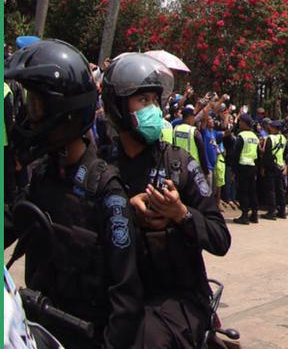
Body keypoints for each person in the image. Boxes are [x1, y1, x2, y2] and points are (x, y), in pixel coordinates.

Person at [4, 40, 144, 348]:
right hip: (36, 331)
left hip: (85, 338)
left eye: (37, 107)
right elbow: (11, 220)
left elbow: (126, 299)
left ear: (64, 112)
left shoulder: (107, 193)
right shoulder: (43, 175)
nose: (29, 117)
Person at [100, 52, 232, 348]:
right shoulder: (103, 169)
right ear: (118, 108)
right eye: (142, 100)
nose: (152, 110)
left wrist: (181, 213)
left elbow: (220, 239)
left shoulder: (179, 164)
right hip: (118, 292)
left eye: (154, 101)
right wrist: (122, 211)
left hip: (176, 298)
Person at [233, 114, 260, 224]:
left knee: (243, 191)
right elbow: (258, 154)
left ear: (244, 123)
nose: (239, 123)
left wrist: (234, 170)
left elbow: (236, 154)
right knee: (252, 191)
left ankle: (244, 215)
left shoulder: (241, 136)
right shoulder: (255, 136)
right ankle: (254, 214)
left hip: (243, 166)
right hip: (252, 166)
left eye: (240, 122)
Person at [264, 121, 287, 219]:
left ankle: (271, 212)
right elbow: (285, 152)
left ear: (274, 128)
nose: (269, 128)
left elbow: (267, 154)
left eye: (271, 127)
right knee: (280, 190)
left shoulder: (270, 138)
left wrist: (264, 167)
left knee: (271, 190)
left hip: (272, 166)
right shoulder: (283, 138)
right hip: (280, 166)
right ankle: (282, 211)